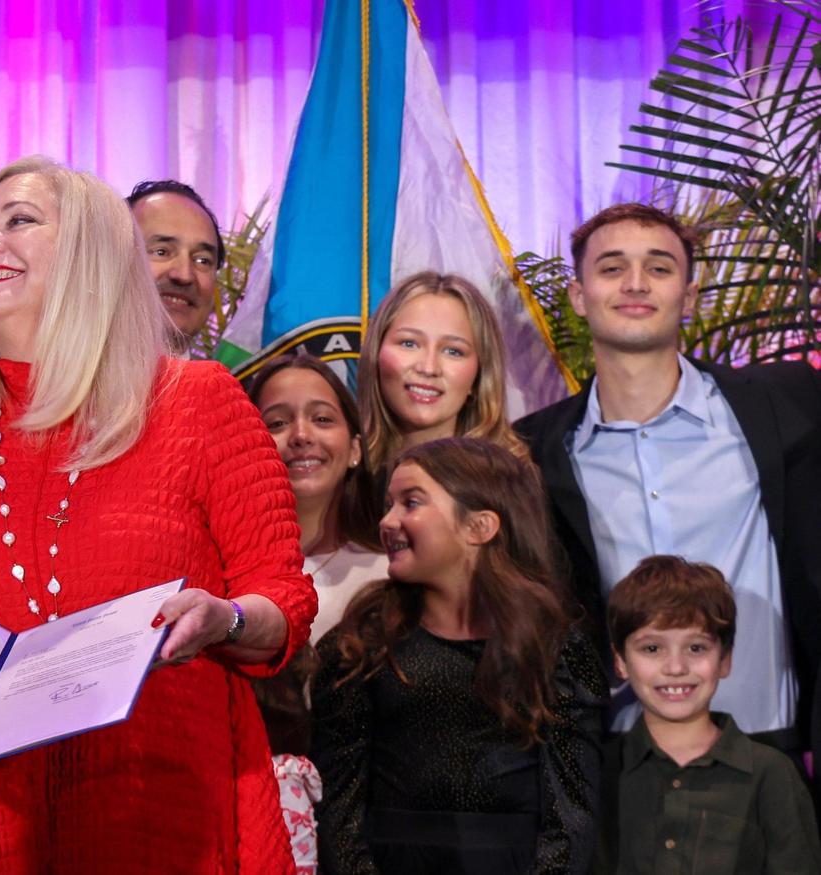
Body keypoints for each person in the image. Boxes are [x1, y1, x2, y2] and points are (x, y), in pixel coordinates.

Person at [0, 155, 315, 873]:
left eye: (19, 221)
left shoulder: (199, 402)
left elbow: (281, 599)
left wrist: (229, 619)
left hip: (158, 806)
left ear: (93, 251)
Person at [513, 204, 821, 795]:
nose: (635, 283)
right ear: (578, 295)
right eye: (612, 268)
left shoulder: (786, 404)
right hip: (622, 774)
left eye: (658, 267)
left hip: (772, 756)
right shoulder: (534, 451)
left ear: (690, 294)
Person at [312, 437, 607, 874]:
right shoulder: (360, 647)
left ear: (480, 527)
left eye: (410, 503)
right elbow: (340, 809)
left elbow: (571, 815)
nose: (388, 521)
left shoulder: (556, 650)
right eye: (388, 504)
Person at [596, 555, 821, 874]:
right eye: (652, 649)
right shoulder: (599, 773)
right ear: (619, 660)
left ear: (725, 659)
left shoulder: (772, 774)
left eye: (696, 648)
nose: (675, 668)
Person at [249, 353, 386, 643]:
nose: (301, 435)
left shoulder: (390, 575)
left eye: (322, 419)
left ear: (355, 450)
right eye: (276, 423)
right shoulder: (218, 579)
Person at [357, 271, 529, 482]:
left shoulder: (509, 484)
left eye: (453, 351)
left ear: (480, 375)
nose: (428, 368)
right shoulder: (339, 478)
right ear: (376, 354)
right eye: (409, 343)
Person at [127, 178, 224, 355]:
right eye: (162, 252)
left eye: (202, 260)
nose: (184, 275)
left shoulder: (221, 382)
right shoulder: (67, 379)